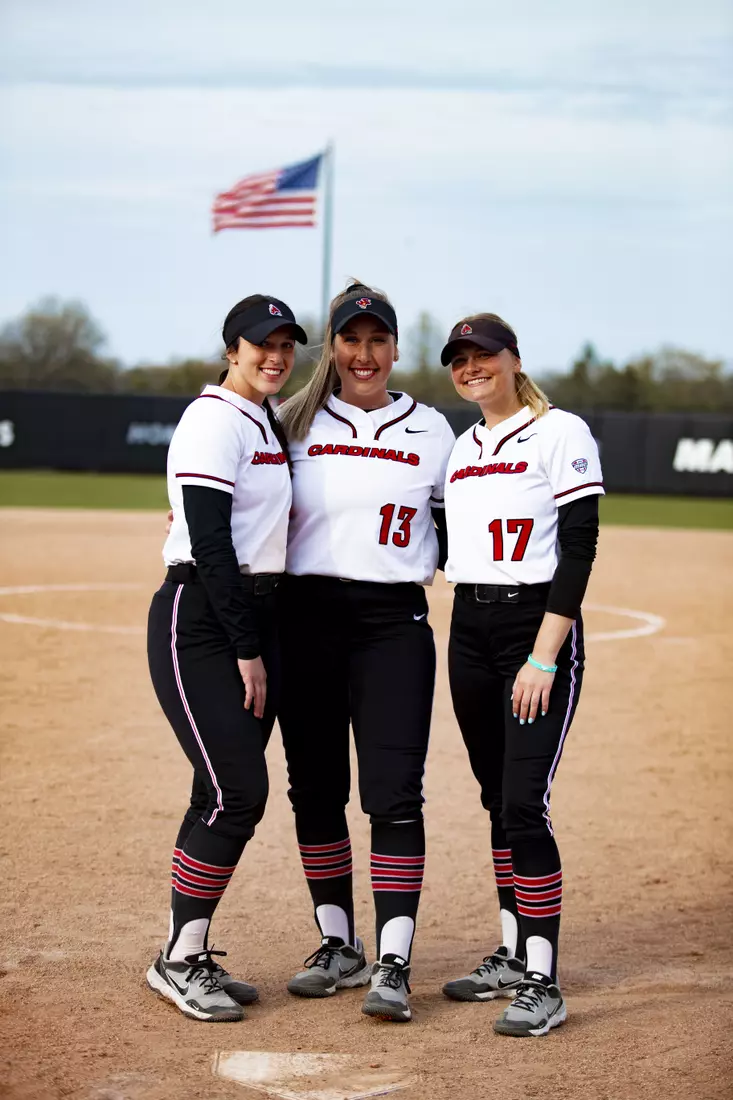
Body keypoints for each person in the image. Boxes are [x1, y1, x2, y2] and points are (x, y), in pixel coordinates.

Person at [276, 281, 455, 1022]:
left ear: (394, 348)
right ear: (333, 347)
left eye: (377, 340)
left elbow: (460, 529)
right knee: (314, 790)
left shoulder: (433, 431)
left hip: (391, 627)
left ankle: (391, 960)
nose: (363, 354)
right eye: (350, 340)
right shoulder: (290, 422)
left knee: (392, 795)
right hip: (303, 620)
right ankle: (337, 943)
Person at [439, 313, 603, 1037]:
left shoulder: (559, 430)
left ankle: (542, 978)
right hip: (467, 629)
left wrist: (542, 655)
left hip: (532, 629)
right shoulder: (461, 445)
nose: (472, 367)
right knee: (493, 796)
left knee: (522, 804)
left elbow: (579, 548)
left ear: (512, 359)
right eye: (459, 359)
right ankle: (510, 950)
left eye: (483, 356)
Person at [145, 294, 306, 1022]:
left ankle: (183, 949)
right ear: (231, 348)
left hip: (253, 615)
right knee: (237, 791)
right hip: (204, 620)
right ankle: (180, 959)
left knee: (216, 790)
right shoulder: (213, 418)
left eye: (286, 345)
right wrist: (246, 647)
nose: (275, 356)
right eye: (261, 344)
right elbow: (210, 542)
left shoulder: (260, 417)